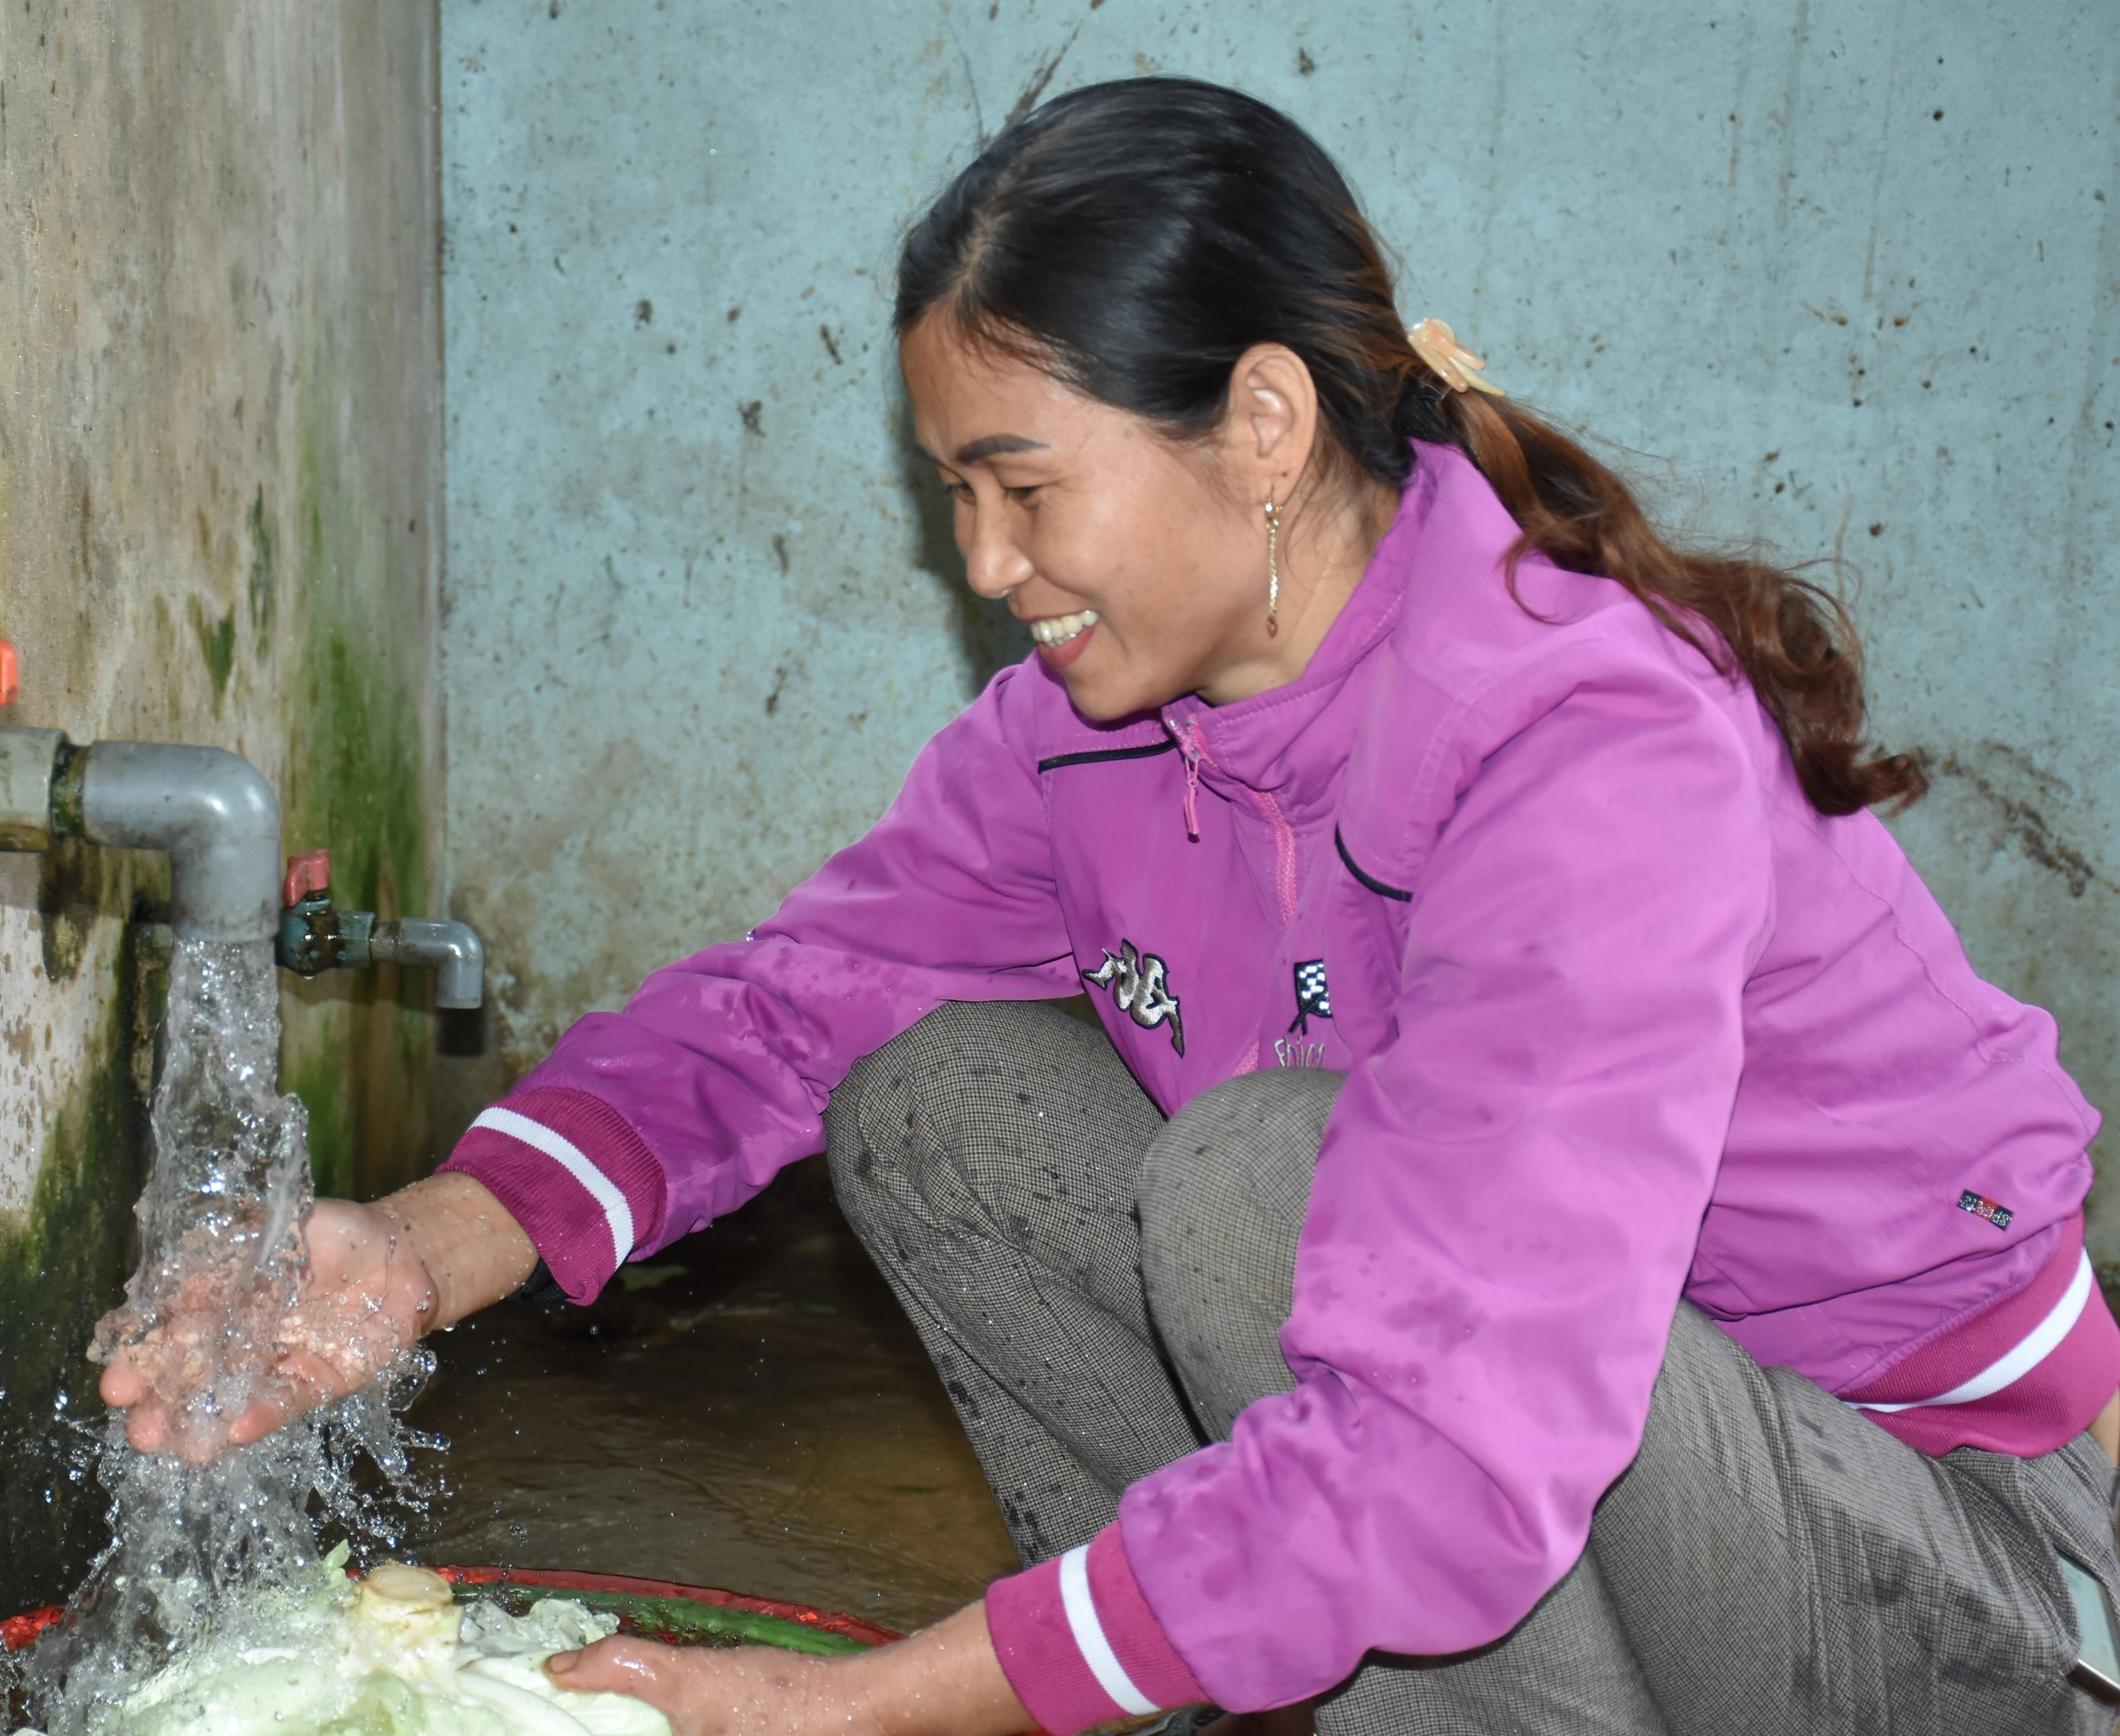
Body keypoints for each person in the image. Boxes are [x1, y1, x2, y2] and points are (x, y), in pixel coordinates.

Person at [102, 78, 2120, 1735]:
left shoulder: (1584, 740)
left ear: (1262, 426)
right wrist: (406, 1255)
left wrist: (869, 1706)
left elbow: (1450, 1448)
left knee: (1262, 1192)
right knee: (938, 1105)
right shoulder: (1094, 732)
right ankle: (1235, 1686)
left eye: (1025, 485)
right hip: (1568, 1475)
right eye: (950, 495)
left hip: (1938, 1566)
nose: (986, 563)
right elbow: (794, 1008)